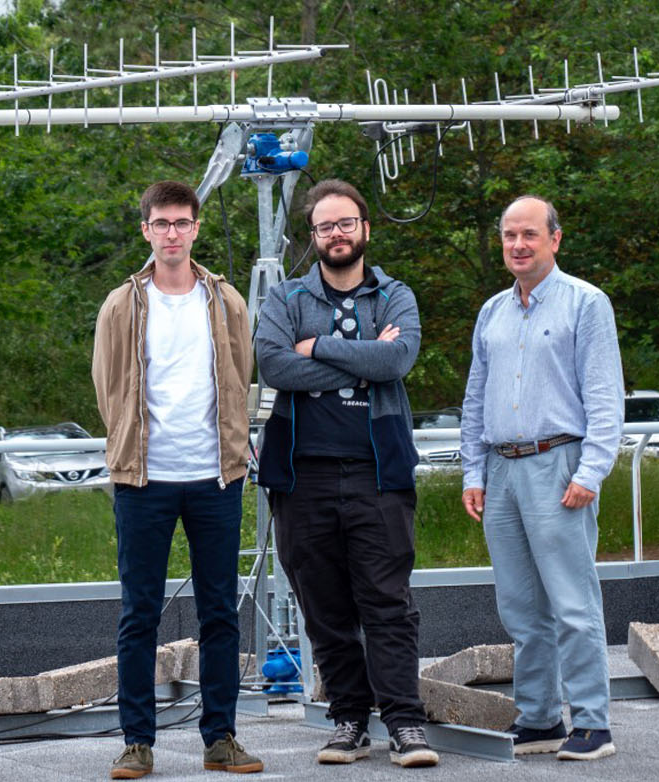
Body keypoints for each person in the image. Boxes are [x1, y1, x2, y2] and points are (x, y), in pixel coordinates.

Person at [253, 179, 438, 768]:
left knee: (387, 603)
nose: (337, 234)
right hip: (301, 479)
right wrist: (357, 364)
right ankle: (349, 719)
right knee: (324, 607)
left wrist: (318, 348)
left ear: (364, 229)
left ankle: (405, 724)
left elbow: (397, 358)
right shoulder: (286, 298)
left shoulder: (394, 295)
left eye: (346, 223)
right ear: (314, 237)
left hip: (377, 476)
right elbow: (275, 366)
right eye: (325, 226)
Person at [92, 180, 263, 779]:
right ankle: (136, 741)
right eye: (160, 223)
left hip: (216, 477)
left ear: (195, 229)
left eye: (181, 223)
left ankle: (220, 737)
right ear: (146, 230)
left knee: (220, 611)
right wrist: (126, 449)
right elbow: (107, 386)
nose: (171, 233)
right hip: (144, 480)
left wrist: (236, 448)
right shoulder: (121, 304)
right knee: (139, 613)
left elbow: (240, 375)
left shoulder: (225, 301)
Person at [459, 194, 624, 762]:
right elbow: (475, 399)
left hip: (559, 464)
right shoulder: (491, 312)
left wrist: (593, 470)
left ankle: (593, 725)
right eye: (509, 236)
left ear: (555, 239)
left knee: (572, 603)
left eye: (529, 235)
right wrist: (472, 472)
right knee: (520, 607)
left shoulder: (586, 303)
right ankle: (538, 719)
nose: (518, 245)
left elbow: (605, 396)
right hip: (500, 469)